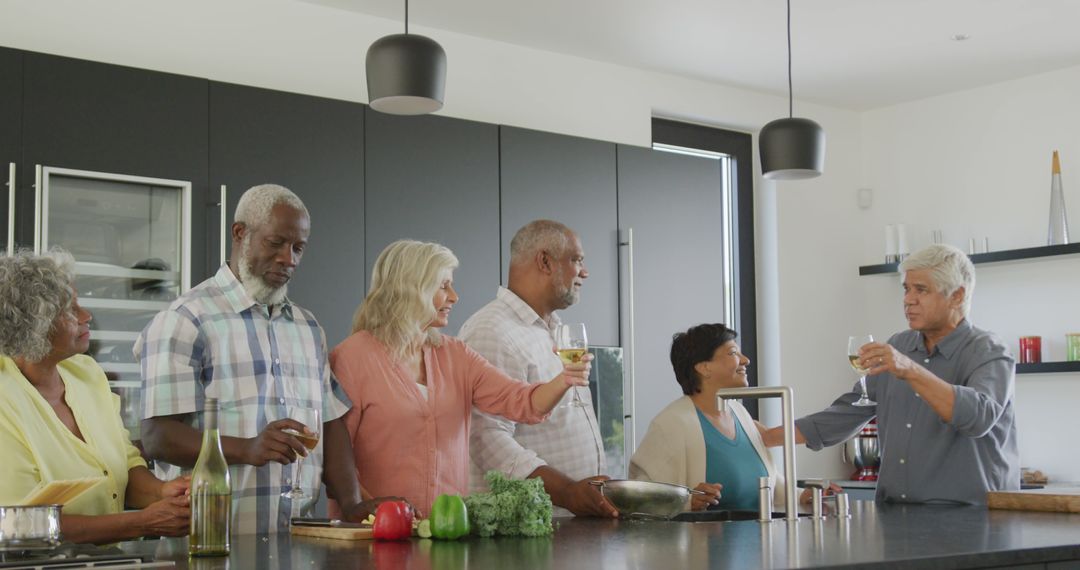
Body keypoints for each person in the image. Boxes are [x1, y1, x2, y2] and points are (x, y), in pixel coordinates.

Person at [137, 184, 388, 534]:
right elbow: (157, 436)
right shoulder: (186, 319)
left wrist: (351, 503)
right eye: (276, 243)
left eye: (298, 247)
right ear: (240, 233)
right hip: (210, 538)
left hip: (296, 538)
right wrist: (247, 448)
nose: (289, 259)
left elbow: (329, 424)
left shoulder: (308, 326)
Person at [329, 239, 592, 516]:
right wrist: (370, 512)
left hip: (446, 532)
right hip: (374, 535)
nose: (454, 296)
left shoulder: (455, 355)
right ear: (411, 288)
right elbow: (336, 459)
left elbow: (521, 401)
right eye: (443, 286)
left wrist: (564, 379)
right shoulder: (352, 358)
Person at [764, 244, 1019, 504]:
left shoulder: (988, 351)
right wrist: (765, 438)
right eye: (907, 289)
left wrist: (909, 369)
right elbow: (849, 411)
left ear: (957, 296)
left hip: (971, 522)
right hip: (896, 517)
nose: (908, 300)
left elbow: (979, 418)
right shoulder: (900, 345)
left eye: (921, 290)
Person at [0, 250, 190, 544]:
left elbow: (123, 467)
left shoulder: (86, 373)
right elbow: (22, 522)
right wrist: (142, 523)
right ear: (34, 323)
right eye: (69, 309)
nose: (86, 315)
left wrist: (161, 492)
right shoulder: (4, 401)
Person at [460, 220, 617, 518]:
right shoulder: (491, 330)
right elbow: (484, 438)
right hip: (524, 533)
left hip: (565, 527)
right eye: (577, 260)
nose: (585, 272)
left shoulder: (554, 329)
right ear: (545, 261)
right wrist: (568, 492)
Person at [630, 324, 832, 511]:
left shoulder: (740, 414)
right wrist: (687, 501)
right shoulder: (670, 424)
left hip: (760, 547)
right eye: (733, 352)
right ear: (704, 367)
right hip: (704, 548)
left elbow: (766, 482)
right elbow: (641, 497)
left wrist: (803, 495)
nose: (745, 360)